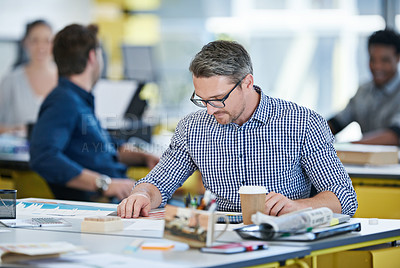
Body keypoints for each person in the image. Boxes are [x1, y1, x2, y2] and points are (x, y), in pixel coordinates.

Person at [117, 40, 358, 218]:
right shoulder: (193, 128)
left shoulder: (303, 123)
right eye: (202, 100)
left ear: (247, 83)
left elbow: (344, 197)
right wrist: (142, 195)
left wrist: (299, 207)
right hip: (219, 240)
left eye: (218, 98)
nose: (210, 110)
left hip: (283, 236)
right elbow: (158, 182)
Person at [30, 24, 159, 202]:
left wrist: (145, 157)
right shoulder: (62, 101)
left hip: (122, 195)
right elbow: (43, 157)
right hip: (105, 204)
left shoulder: (79, 100)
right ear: (92, 56)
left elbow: (105, 148)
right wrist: (105, 184)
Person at [328, 29, 400, 145]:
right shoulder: (363, 91)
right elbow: (337, 122)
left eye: (385, 60)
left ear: (397, 58)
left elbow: (394, 136)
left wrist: (349, 146)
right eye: (372, 59)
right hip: (365, 162)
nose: (377, 66)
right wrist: (314, 135)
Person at [0, 19, 57, 135]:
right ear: (26, 43)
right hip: (18, 151)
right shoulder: (11, 80)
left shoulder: (65, 80)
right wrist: (16, 131)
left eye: (47, 41)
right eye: (34, 41)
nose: (41, 47)